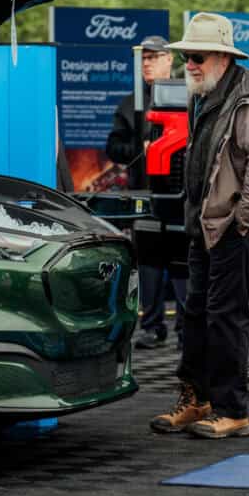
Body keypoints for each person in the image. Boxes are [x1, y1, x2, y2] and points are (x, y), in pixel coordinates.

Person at [149, 12, 249, 439]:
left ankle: (232, 410)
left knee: (225, 319)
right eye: (186, 56)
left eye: (197, 56)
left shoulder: (247, 99)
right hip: (205, 227)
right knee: (195, 317)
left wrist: (241, 221)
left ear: (223, 58)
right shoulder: (206, 95)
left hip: (231, 230)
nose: (189, 63)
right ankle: (198, 400)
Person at [106, 35, 180, 348]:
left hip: (179, 195)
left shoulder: (187, 97)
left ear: (169, 60)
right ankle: (152, 326)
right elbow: (114, 147)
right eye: (143, 58)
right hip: (145, 195)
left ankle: (187, 332)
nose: (147, 63)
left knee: (181, 261)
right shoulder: (129, 103)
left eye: (153, 57)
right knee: (149, 262)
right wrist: (140, 147)